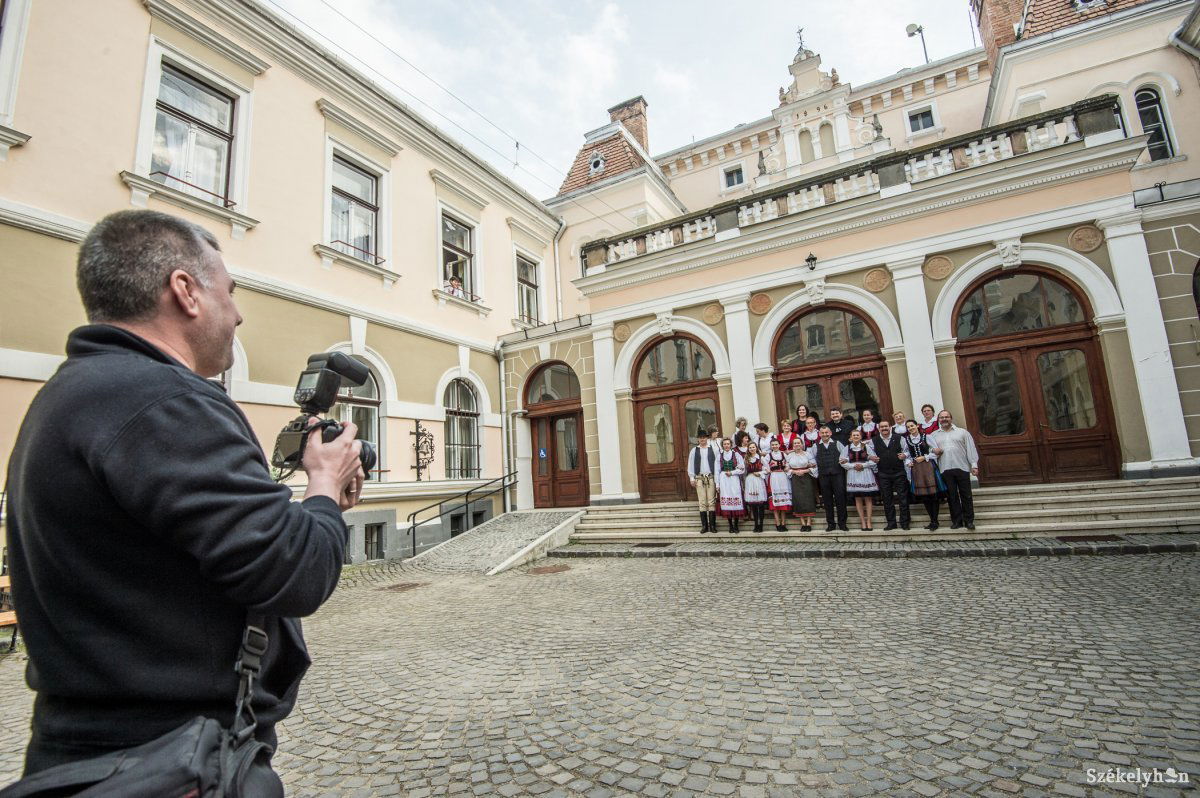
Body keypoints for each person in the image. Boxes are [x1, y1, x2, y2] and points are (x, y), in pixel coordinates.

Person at [4, 210, 365, 779]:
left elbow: (204, 542)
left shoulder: (75, 391)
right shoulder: (163, 400)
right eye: (230, 291)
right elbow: (295, 572)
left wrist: (319, 504)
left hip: (109, 750)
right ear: (185, 291)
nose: (238, 312)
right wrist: (322, 485)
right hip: (171, 759)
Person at [932, 410, 980, 530]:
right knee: (952, 497)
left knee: (966, 495)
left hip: (962, 467)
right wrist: (934, 451)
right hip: (945, 469)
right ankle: (957, 521)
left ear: (951, 418)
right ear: (938, 420)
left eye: (946, 417)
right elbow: (930, 451)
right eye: (942, 417)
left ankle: (969, 521)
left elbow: (971, 448)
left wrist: (974, 465)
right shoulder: (934, 435)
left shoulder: (962, 432)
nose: (944, 419)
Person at [904, 419, 945, 530]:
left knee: (933, 494)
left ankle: (935, 521)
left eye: (912, 426)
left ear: (917, 426)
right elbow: (906, 454)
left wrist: (925, 457)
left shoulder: (926, 437)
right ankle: (932, 520)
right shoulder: (907, 440)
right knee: (924, 495)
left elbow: (935, 452)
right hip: (917, 469)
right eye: (908, 427)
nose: (911, 428)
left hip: (928, 466)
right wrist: (909, 462)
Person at [870, 419, 911, 531]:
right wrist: (871, 458)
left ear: (890, 427)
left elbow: (907, 451)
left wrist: (905, 455)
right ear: (879, 429)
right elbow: (870, 454)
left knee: (903, 498)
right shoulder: (874, 441)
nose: (884, 428)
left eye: (886, 426)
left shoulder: (899, 438)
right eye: (882, 427)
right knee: (887, 499)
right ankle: (891, 523)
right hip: (883, 473)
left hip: (899, 472)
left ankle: (905, 522)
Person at [812, 425, 849, 531]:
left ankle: (842, 524)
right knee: (827, 501)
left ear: (830, 433)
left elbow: (845, 456)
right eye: (822, 433)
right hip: (823, 476)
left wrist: (845, 461)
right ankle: (831, 524)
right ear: (819, 434)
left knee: (840, 500)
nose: (824, 434)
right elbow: (813, 459)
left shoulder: (837, 443)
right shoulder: (815, 446)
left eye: (826, 432)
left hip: (838, 475)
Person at [842, 429, 878, 531]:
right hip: (853, 474)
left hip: (865, 473)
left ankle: (869, 521)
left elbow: (874, 459)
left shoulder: (866, 447)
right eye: (854, 435)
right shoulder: (847, 448)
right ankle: (862, 521)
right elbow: (841, 461)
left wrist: (864, 465)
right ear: (851, 437)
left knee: (868, 498)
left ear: (861, 436)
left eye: (858, 435)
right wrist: (853, 466)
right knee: (857, 498)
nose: (856, 437)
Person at [687, 430, 718, 533]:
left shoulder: (712, 449)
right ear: (698, 439)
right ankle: (704, 526)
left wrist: (717, 479)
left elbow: (717, 464)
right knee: (702, 502)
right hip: (699, 478)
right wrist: (692, 477)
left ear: (707, 438)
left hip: (711, 477)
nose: (702, 439)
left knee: (711, 501)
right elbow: (690, 464)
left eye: (704, 437)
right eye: (700, 437)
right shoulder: (694, 450)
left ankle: (713, 526)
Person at [786, 438, 817, 532]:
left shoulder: (807, 454)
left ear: (802, 444)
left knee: (808, 498)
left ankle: (809, 522)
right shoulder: (790, 455)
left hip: (806, 476)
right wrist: (794, 471)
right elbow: (786, 468)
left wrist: (805, 470)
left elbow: (814, 466)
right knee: (798, 498)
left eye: (798, 443)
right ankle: (803, 523)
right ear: (793, 445)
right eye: (795, 443)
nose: (797, 444)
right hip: (795, 478)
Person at [715, 438, 746, 533]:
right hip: (724, 480)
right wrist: (717, 484)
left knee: (735, 498)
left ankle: (736, 525)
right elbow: (716, 471)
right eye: (724, 444)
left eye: (728, 444)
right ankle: (730, 525)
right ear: (722, 445)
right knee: (727, 499)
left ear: (731, 445)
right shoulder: (719, 456)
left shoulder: (736, 455)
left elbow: (742, 469)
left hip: (734, 479)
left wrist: (732, 472)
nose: (726, 445)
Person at [765, 438, 792, 531]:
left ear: (779, 445)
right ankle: (777, 523)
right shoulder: (769, 455)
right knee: (775, 503)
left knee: (783, 502)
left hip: (783, 478)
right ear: (771, 446)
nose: (774, 446)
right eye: (773, 445)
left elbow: (788, 463)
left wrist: (787, 468)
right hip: (774, 478)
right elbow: (764, 464)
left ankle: (783, 523)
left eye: (776, 444)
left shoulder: (783, 454)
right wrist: (767, 470)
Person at [742, 442, 769, 533]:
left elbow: (767, 470)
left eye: (753, 447)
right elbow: (744, 471)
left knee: (760, 505)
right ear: (748, 449)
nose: (752, 449)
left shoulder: (760, 458)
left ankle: (760, 525)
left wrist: (760, 473)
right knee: (753, 505)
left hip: (758, 480)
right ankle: (755, 525)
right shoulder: (746, 459)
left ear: (756, 448)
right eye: (750, 447)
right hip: (750, 480)